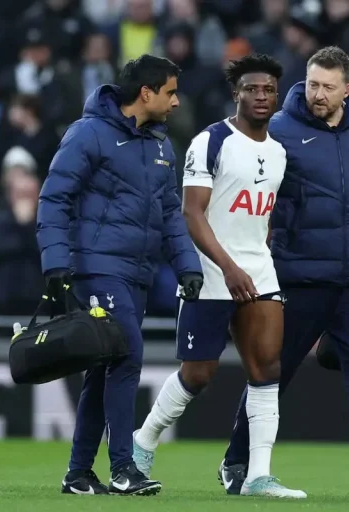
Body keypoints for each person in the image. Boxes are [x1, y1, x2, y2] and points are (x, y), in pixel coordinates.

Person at [218, 46, 349, 500]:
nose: (318, 94)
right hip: (299, 276)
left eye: (328, 87)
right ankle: (236, 460)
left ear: (348, 89)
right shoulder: (278, 131)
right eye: (312, 84)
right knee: (273, 372)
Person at [131, 54, 305, 499]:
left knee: (267, 368)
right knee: (198, 374)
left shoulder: (279, 152)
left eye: (269, 90)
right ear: (236, 94)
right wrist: (228, 267)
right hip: (211, 271)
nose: (261, 96)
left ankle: (258, 475)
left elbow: (263, 215)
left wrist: (254, 257)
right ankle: (143, 441)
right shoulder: (211, 141)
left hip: (258, 270)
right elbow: (192, 212)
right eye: (252, 89)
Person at [36, 55, 204, 497]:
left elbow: (170, 213)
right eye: (170, 92)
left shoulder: (162, 146)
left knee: (103, 368)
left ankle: (78, 474)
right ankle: (124, 468)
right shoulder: (88, 134)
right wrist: (56, 263)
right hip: (97, 267)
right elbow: (54, 198)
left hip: (137, 272)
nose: (176, 101)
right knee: (127, 355)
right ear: (146, 93)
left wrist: (187, 265)